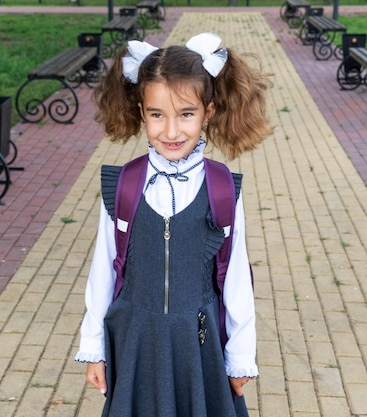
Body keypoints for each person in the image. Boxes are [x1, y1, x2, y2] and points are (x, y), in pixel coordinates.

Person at [75, 32, 273, 417]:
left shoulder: (222, 190)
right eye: (156, 115)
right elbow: (103, 270)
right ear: (140, 110)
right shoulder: (123, 186)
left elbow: (235, 277)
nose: (170, 131)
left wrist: (240, 353)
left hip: (197, 348)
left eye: (186, 114)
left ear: (208, 113)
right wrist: (94, 347)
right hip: (136, 344)